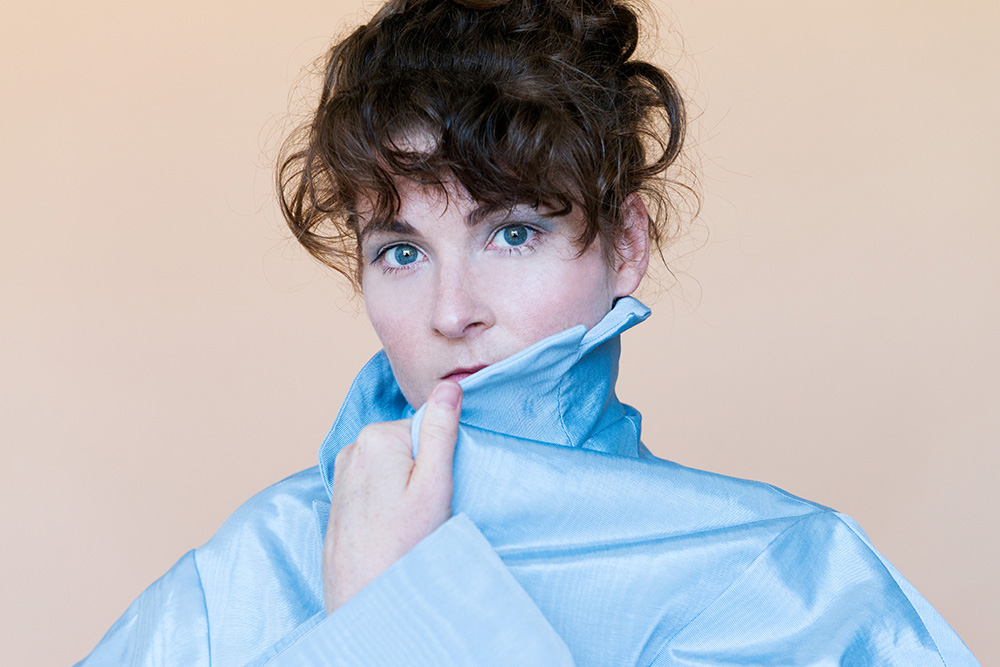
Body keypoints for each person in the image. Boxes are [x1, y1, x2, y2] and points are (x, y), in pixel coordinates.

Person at [76, 0, 980, 664]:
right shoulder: (251, 563)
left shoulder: (792, 584)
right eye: (400, 251)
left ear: (624, 245)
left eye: (513, 232)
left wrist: (391, 609)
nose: (450, 309)